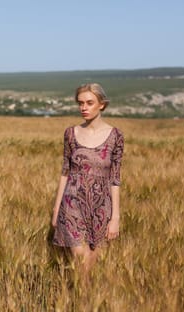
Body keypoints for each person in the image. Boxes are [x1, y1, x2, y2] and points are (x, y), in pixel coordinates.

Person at [51, 83, 124, 276]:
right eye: (80, 103)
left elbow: (115, 178)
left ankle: (84, 302)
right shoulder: (70, 133)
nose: (84, 107)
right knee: (80, 259)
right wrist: (56, 208)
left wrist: (115, 217)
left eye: (89, 103)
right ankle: (80, 301)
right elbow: (65, 171)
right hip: (72, 203)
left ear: (102, 104)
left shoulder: (115, 136)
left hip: (101, 207)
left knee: (91, 264)